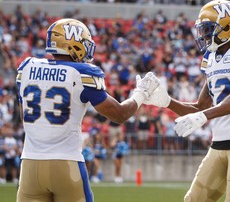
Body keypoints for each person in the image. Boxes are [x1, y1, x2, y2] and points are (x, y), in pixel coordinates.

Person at [15, 18, 160, 202]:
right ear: (71, 43)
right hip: (66, 164)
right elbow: (120, 114)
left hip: (29, 164)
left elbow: (24, 117)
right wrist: (141, 94)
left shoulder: (26, 68)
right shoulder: (82, 73)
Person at [144, 0, 230, 202]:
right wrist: (166, 101)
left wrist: (203, 116)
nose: (204, 34)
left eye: (210, 28)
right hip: (218, 145)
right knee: (194, 200)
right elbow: (200, 107)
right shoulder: (211, 58)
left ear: (229, 27)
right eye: (203, 29)